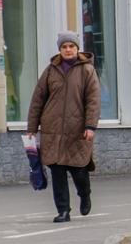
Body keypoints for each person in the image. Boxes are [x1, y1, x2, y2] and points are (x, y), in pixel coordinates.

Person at [26, 30, 100, 223]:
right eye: (64, 47)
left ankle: (84, 194)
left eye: (71, 46)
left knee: (79, 170)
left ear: (77, 48)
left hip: (77, 131)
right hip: (52, 130)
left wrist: (90, 126)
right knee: (57, 172)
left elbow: (93, 101)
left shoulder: (87, 71)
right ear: (60, 49)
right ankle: (63, 210)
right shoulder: (51, 71)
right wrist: (32, 128)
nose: (68, 50)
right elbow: (37, 100)